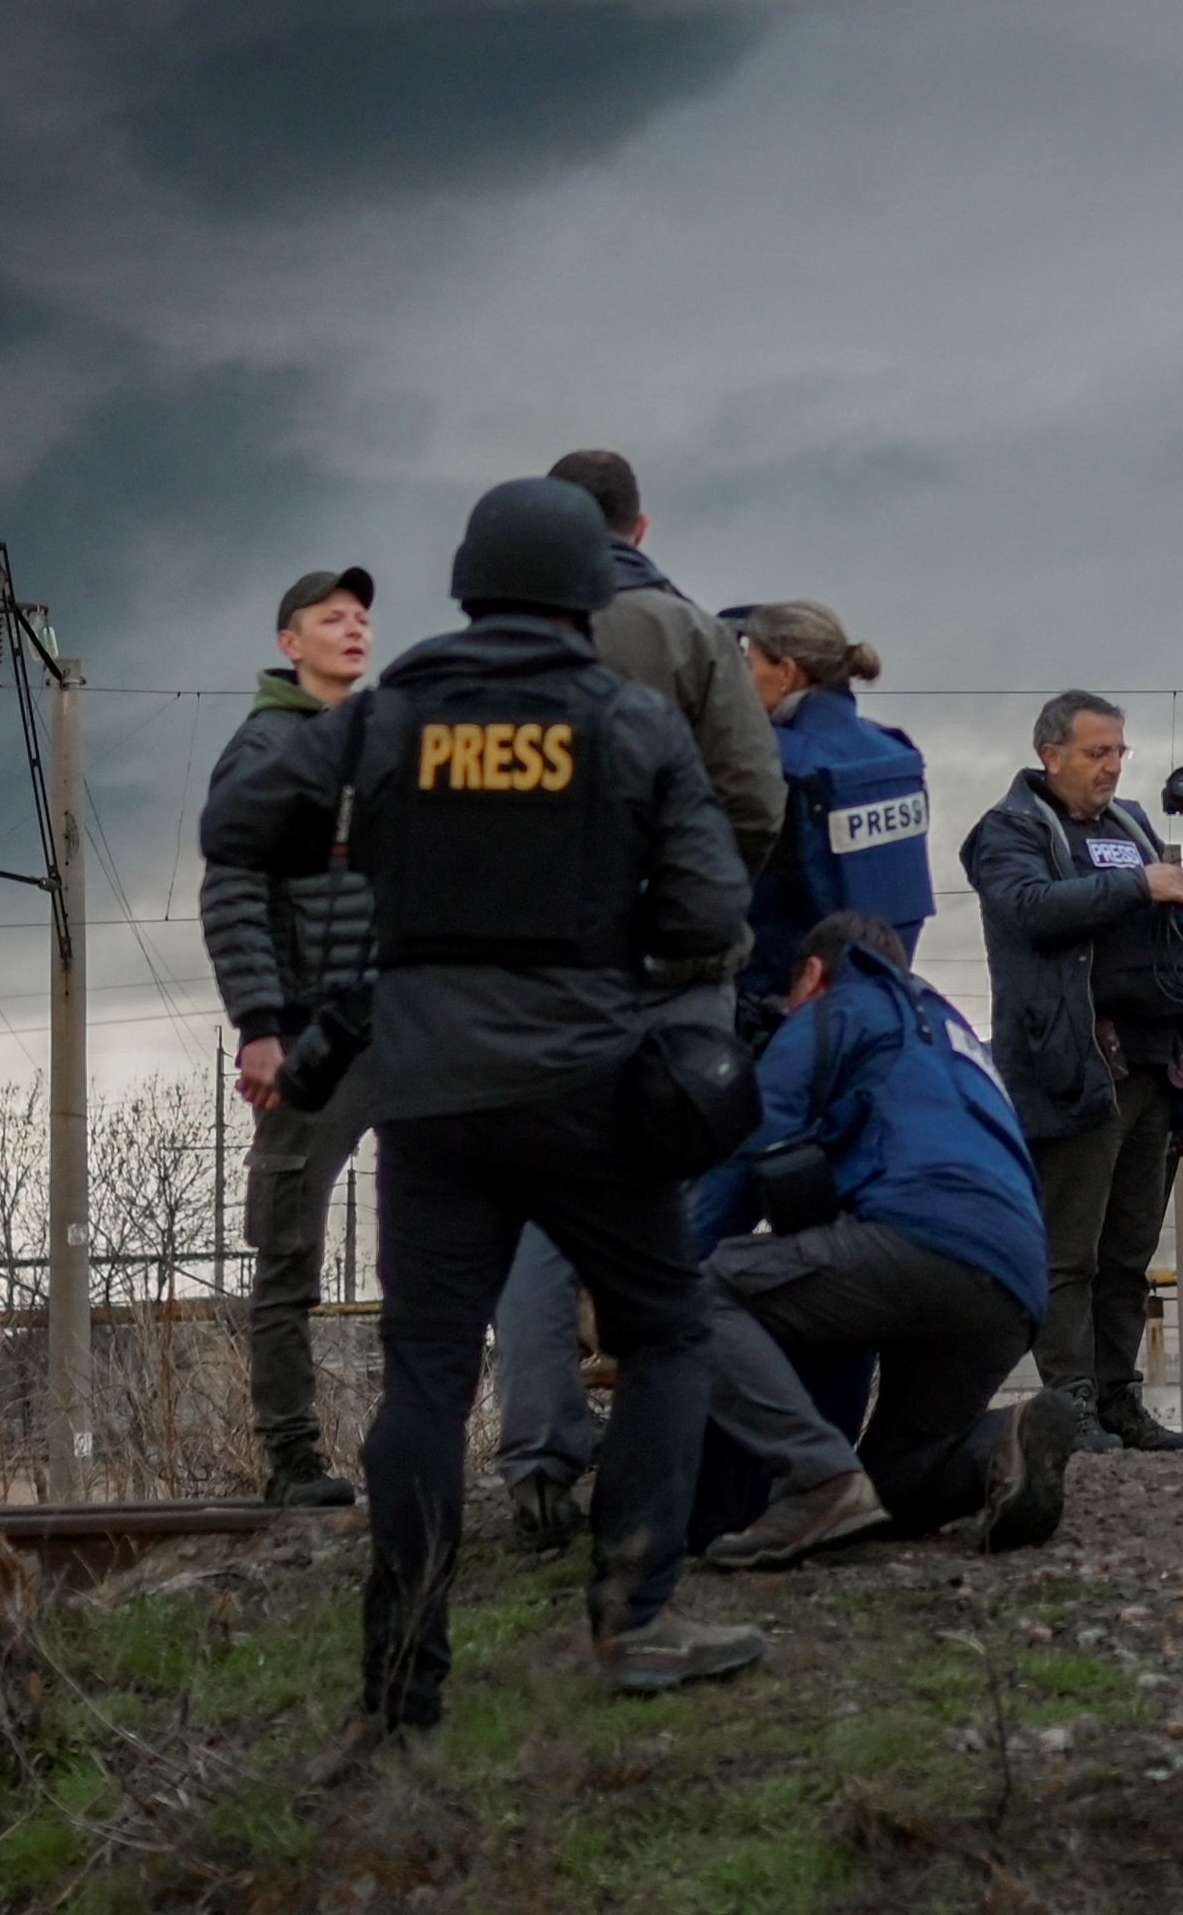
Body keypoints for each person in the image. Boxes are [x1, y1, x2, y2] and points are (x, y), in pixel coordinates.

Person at [199, 477, 764, 1740]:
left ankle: (403, 1684)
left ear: (465, 585)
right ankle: (632, 1619)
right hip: (587, 1092)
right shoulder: (628, 723)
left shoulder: (392, 713)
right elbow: (711, 918)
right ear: (585, 592)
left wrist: (306, 948)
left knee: (426, 1379)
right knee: (669, 1331)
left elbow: (236, 825)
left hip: (431, 1104)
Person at [488, 447, 788, 1548]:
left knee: (537, 1218)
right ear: (640, 526)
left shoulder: (487, 648)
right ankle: (658, 1501)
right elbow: (756, 800)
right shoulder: (689, 632)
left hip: (528, 981)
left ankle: (536, 1462)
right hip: (667, 980)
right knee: (669, 1218)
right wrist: (701, 910)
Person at [689, 914, 1085, 1566]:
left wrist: (658, 1273)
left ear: (812, 975)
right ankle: (999, 1443)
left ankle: (817, 1476)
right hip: (1013, 1283)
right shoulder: (952, 1036)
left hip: (921, 1236)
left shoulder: (836, 1009)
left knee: (693, 1294)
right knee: (893, 1481)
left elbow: (748, 1147)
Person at [961, 692, 1183, 1453]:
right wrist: (1140, 885)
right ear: (1052, 756)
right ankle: (1069, 1408)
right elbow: (1028, 909)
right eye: (1096, 753)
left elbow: (1150, 907)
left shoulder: (1130, 825)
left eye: (1119, 753)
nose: (1112, 767)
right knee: (1069, 1252)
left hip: (1155, 1060)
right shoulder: (1010, 831)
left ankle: (1121, 1402)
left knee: (1128, 1252)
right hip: (1078, 1065)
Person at [197, 563, 382, 1509]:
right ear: (289, 642)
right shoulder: (266, 748)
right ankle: (293, 1460)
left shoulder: (383, 739)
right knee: (289, 1254)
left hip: (405, 1026)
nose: (353, 630)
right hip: (313, 1040)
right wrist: (260, 1029)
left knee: (445, 1236)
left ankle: (432, 1438)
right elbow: (232, 891)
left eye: (359, 618)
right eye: (329, 618)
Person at [735, 603, 936, 999]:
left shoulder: (775, 761)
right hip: (888, 991)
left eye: (750, 663)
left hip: (786, 1000)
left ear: (787, 673)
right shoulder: (894, 750)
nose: (744, 678)